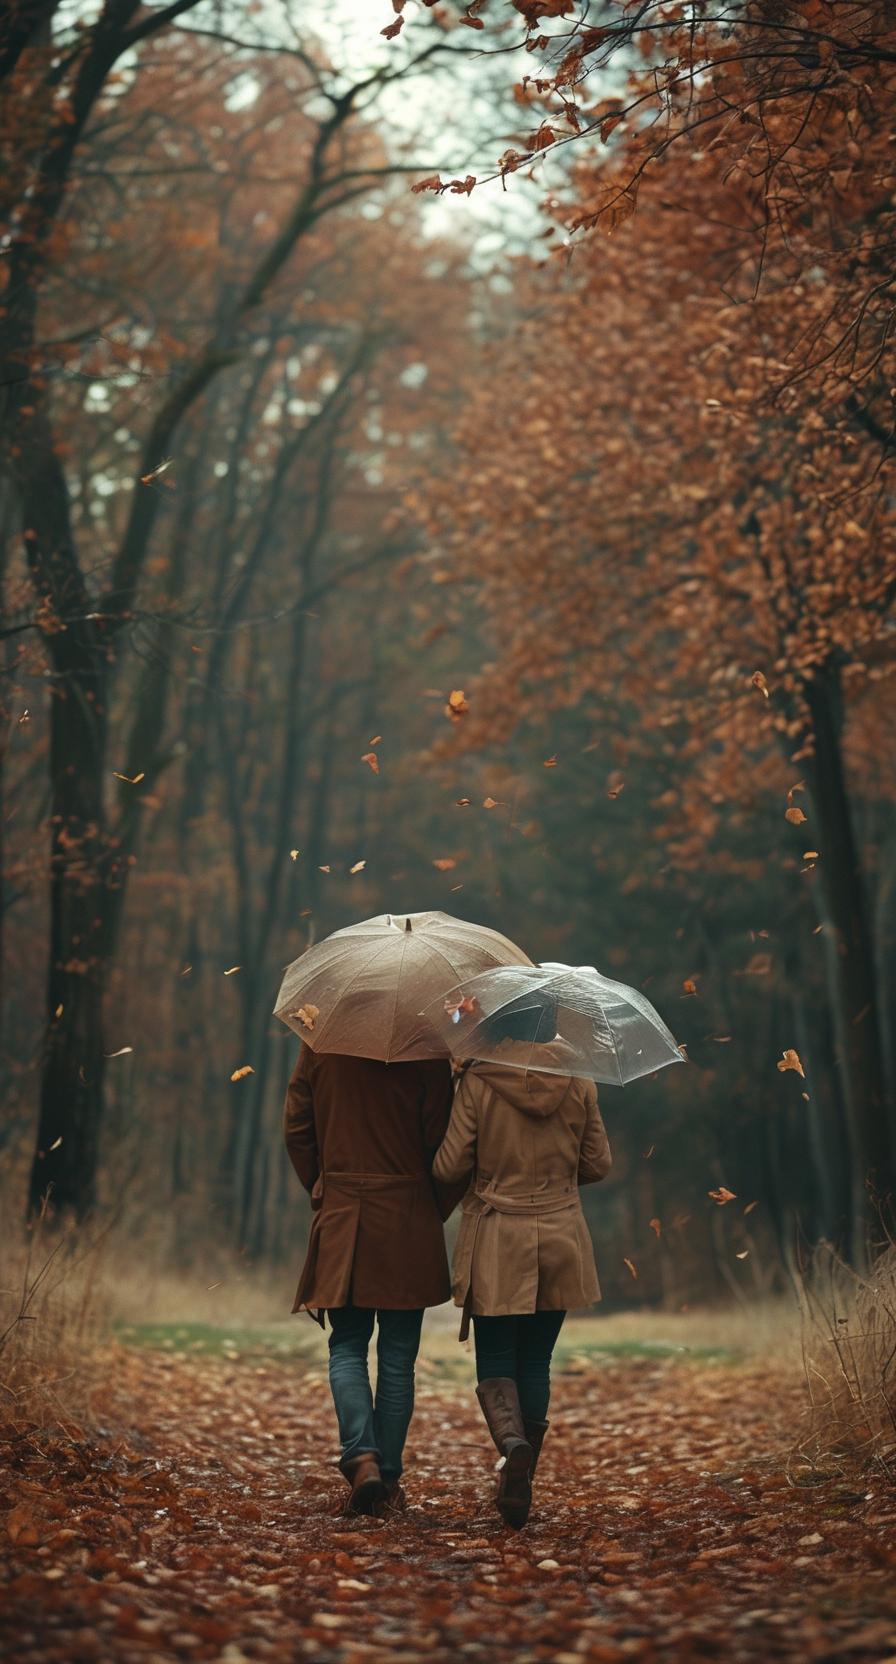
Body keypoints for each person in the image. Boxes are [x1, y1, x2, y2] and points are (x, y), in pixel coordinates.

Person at [432, 1001, 612, 1528]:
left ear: (500, 1028)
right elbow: (599, 1163)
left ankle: (512, 1446)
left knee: (497, 1359)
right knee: (536, 1360)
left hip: (497, 1239)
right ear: (551, 1027)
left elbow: (448, 1165)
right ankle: (521, 1473)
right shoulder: (577, 1081)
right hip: (561, 1237)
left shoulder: (478, 1082)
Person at [283, 1045, 462, 1514]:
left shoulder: (322, 1045)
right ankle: (388, 1477)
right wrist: (431, 1207)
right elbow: (444, 1146)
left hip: (344, 1216)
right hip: (408, 1217)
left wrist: (323, 1189)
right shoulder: (426, 1051)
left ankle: (361, 1458)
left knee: (347, 1345)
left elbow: (297, 1127)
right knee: (399, 1358)